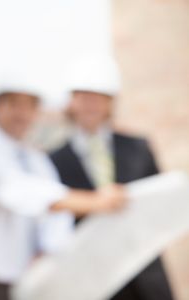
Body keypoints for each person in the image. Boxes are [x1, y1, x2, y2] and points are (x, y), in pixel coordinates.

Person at [0, 81, 126, 300]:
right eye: (14, 104)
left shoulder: (36, 160)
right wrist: (98, 201)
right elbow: (30, 196)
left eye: (30, 106)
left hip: (31, 285)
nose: (23, 114)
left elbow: (55, 217)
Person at [49, 55, 174, 300]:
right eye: (84, 97)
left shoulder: (138, 148)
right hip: (89, 281)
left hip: (144, 277)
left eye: (99, 98)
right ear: (72, 101)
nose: (91, 105)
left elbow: (159, 207)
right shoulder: (54, 161)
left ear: (110, 103)